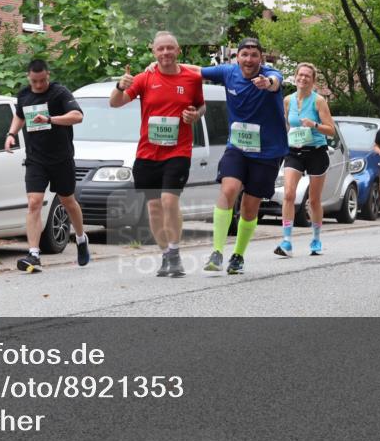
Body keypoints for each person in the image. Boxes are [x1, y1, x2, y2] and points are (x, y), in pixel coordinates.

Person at [110, 31, 206, 277]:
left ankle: (174, 252)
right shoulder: (145, 78)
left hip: (178, 150)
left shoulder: (192, 79)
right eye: (160, 49)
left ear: (178, 51)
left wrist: (195, 115)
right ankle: (166, 254)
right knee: (153, 208)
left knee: (169, 200)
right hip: (147, 152)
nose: (165, 53)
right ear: (154, 52)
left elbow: (200, 105)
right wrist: (120, 86)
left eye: (169, 48)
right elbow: (116, 103)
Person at [195, 38, 287, 275]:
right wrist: (162, 65)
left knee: (249, 206)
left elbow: (276, 82)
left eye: (254, 55)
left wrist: (267, 83)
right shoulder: (228, 72)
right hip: (237, 147)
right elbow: (195, 71)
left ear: (261, 58)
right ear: (237, 57)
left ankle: (238, 255)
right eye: (244, 54)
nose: (248, 59)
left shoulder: (270, 74)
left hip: (267, 152)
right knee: (228, 189)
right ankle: (216, 251)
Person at [5, 59, 91, 272]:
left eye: (43, 80)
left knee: (67, 201)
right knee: (34, 202)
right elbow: (19, 116)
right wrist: (11, 134)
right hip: (36, 159)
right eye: (35, 81)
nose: (39, 85)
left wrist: (51, 119)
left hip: (61, 158)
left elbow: (77, 116)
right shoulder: (24, 94)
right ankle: (33, 254)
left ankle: (81, 238)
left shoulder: (59, 93)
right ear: (28, 77)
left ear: (48, 76)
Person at [275, 62, 337, 256]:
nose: (302, 78)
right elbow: (287, 124)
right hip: (294, 152)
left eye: (307, 76)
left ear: (313, 80)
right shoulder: (287, 100)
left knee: (314, 200)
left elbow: (331, 130)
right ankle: (286, 241)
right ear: (295, 77)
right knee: (288, 194)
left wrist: (314, 124)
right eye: (300, 75)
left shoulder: (319, 101)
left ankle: (316, 239)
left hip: (316, 152)